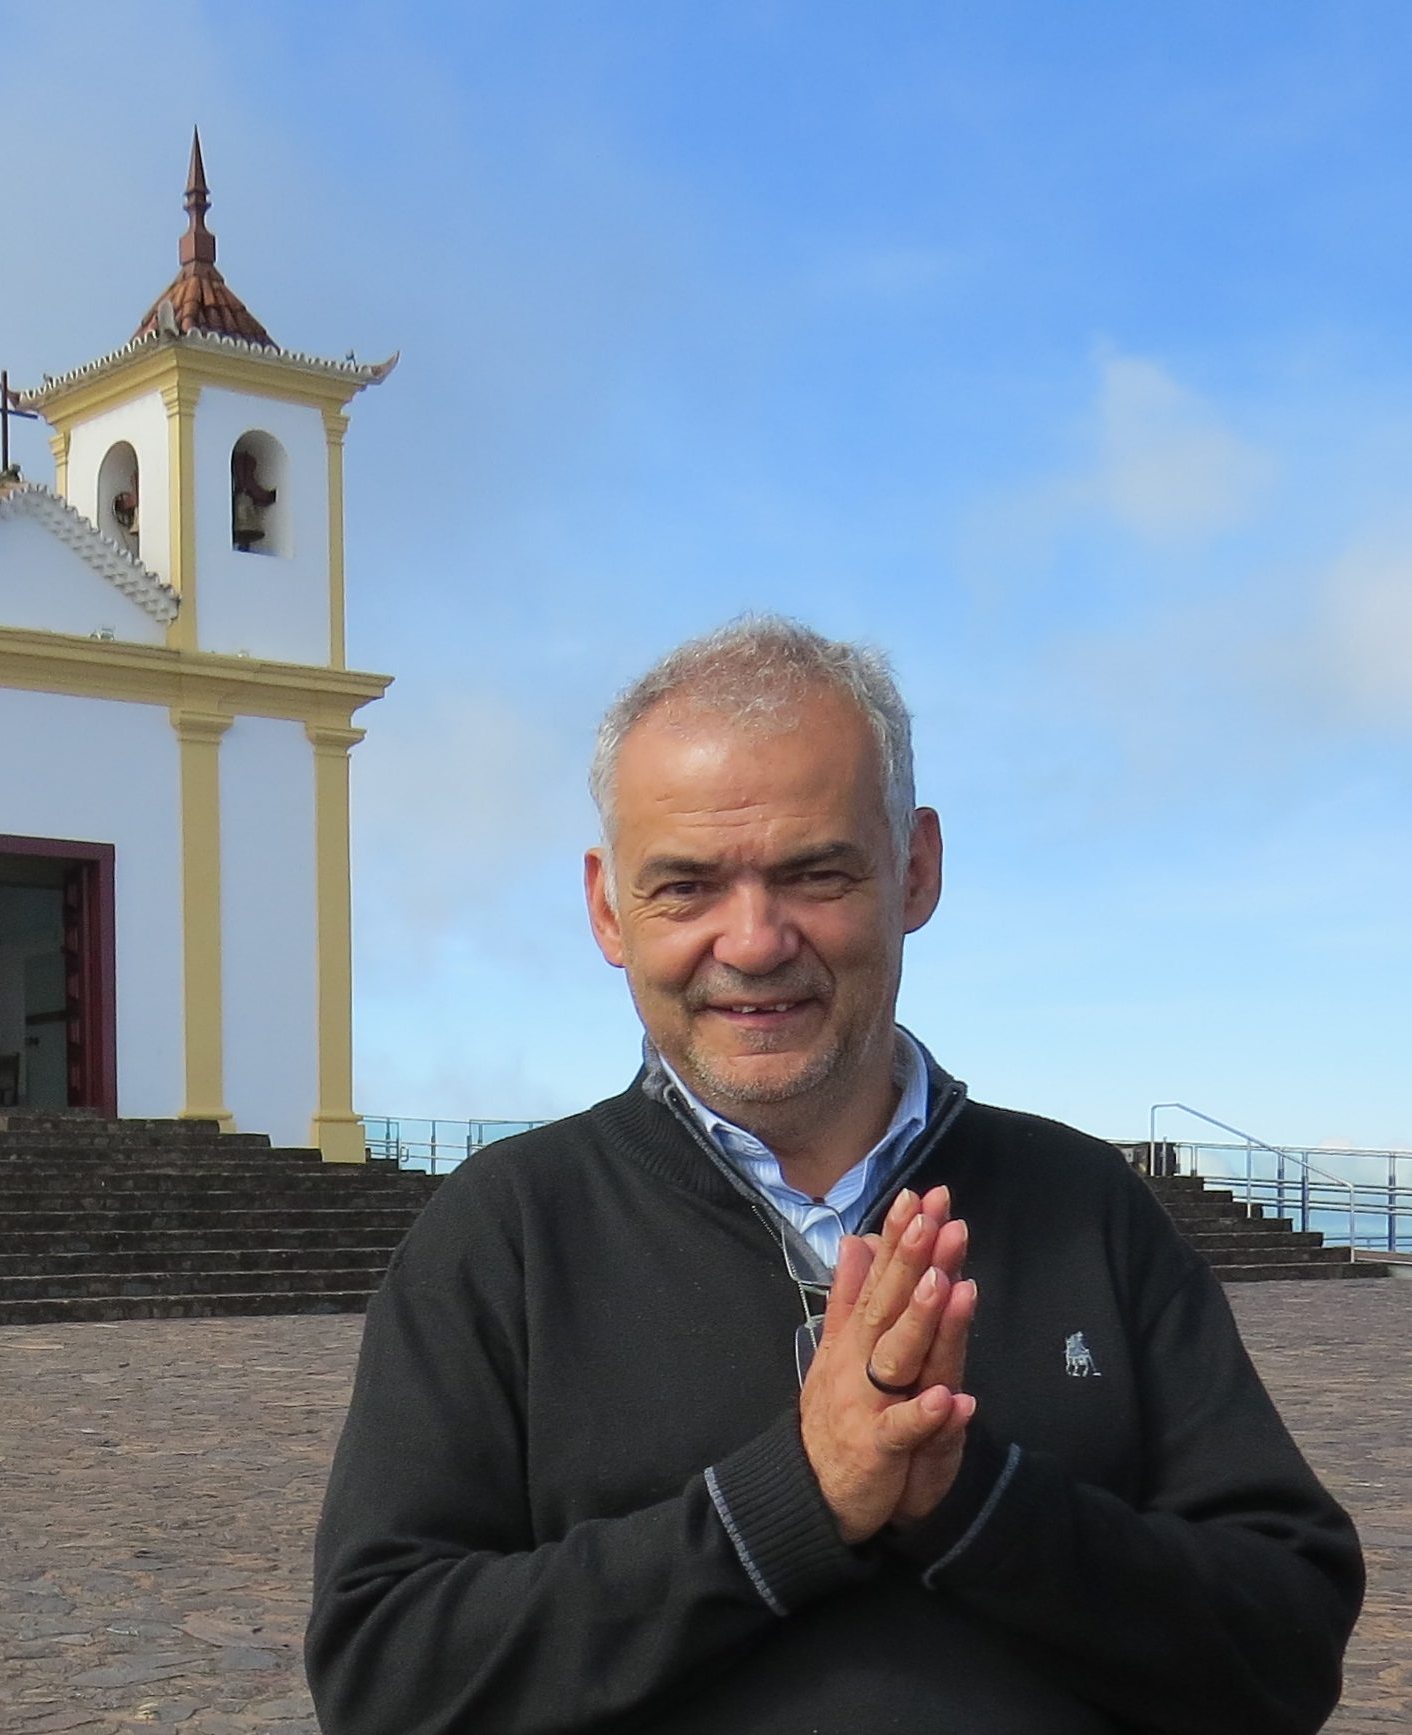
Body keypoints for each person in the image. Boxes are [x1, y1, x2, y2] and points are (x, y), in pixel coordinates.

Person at [306, 617, 1362, 1734]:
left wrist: (973, 1504)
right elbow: (386, 1679)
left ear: (915, 868)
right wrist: (790, 1505)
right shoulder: (503, 1234)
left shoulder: (1086, 1206)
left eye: (815, 873)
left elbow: (1283, 1641)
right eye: (686, 887)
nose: (754, 941)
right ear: (608, 909)